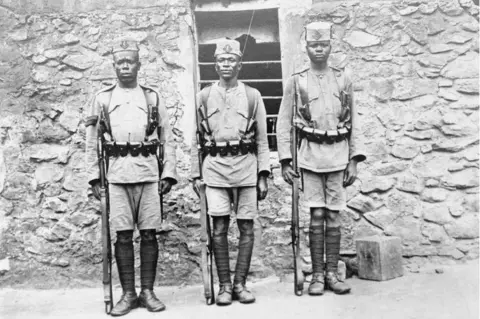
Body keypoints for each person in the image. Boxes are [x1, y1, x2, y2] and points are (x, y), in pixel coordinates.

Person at [85, 39, 178, 316]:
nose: (125, 66)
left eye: (130, 62)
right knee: (123, 235)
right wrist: (94, 178)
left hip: (148, 173)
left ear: (139, 65)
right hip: (116, 174)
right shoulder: (102, 98)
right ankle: (128, 294)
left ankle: (147, 292)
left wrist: (169, 173)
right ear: (114, 66)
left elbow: (167, 138)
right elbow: (92, 143)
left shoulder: (152, 97)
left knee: (149, 233)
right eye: (120, 62)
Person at [276, 22, 366, 296]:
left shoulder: (343, 79)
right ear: (306, 47)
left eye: (323, 44)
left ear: (330, 47)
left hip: (338, 156)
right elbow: (283, 123)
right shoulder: (297, 81)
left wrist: (354, 159)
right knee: (316, 214)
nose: (318, 49)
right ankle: (316, 275)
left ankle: (331, 274)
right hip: (310, 157)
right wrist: (285, 160)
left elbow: (355, 121)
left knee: (334, 215)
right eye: (313, 44)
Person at [190, 38, 270, 306]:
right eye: (222, 61)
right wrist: (195, 174)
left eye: (231, 60)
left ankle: (240, 284)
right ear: (215, 65)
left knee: (246, 227)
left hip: (246, 169)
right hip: (214, 171)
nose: (226, 65)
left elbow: (262, 140)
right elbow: (196, 139)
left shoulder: (252, 96)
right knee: (219, 227)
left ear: (240, 64)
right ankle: (224, 284)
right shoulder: (203, 96)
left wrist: (263, 174)